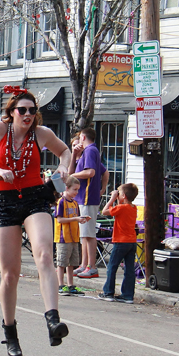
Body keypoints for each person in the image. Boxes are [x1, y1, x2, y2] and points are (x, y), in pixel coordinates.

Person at [0, 87, 72, 356]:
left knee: (45, 255)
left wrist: (63, 169)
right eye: (22, 110)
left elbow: (65, 152)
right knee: (10, 274)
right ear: (12, 112)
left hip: (35, 198)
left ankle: (52, 319)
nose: (28, 115)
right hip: (3, 201)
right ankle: (10, 330)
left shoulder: (42, 134)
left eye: (32, 110)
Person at [70, 128, 107, 280]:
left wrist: (71, 175)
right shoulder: (87, 152)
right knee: (84, 234)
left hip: (87, 197)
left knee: (89, 234)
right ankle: (84, 264)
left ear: (83, 137)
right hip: (82, 198)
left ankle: (92, 266)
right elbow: (105, 172)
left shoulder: (91, 150)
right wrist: (74, 154)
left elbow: (90, 172)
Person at [99, 183, 139, 303]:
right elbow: (119, 211)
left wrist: (112, 198)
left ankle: (108, 292)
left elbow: (104, 211)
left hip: (120, 241)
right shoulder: (133, 208)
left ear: (124, 196)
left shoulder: (121, 208)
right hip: (131, 242)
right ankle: (128, 295)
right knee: (129, 269)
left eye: (120, 193)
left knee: (112, 267)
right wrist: (118, 198)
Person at [55, 176, 88, 296]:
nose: (76, 192)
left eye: (78, 190)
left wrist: (81, 220)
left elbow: (75, 218)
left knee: (71, 263)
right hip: (64, 237)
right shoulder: (61, 202)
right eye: (74, 189)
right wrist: (75, 218)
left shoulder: (75, 203)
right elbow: (59, 219)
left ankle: (70, 284)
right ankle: (60, 284)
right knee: (62, 262)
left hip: (74, 237)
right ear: (67, 188)